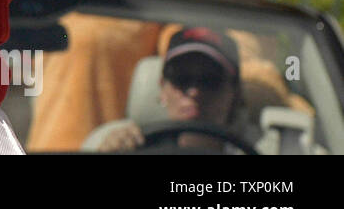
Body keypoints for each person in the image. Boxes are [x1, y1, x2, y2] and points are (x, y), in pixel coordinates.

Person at [97, 26, 249, 152]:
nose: (194, 92)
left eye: (209, 80)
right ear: (163, 89)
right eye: (181, 78)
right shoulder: (131, 146)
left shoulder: (264, 149)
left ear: (235, 93)